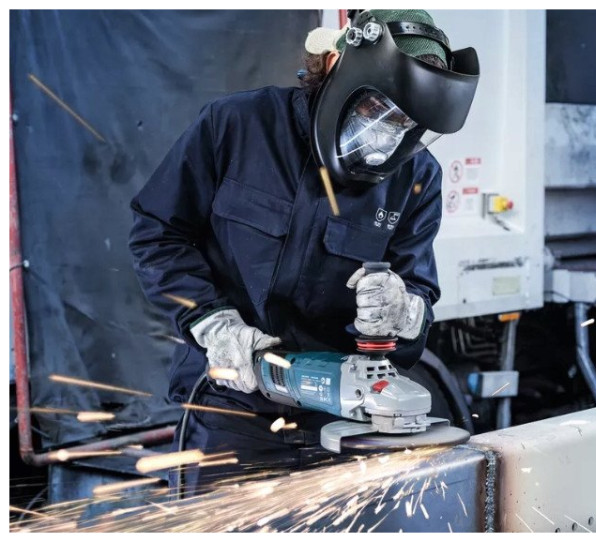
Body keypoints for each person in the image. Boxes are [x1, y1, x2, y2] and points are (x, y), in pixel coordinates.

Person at [128, 9, 479, 495]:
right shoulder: (236, 126)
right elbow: (157, 233)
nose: (387, 133)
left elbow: (417, 293)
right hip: (231, 406)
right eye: (379, 110)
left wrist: (405, 311)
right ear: (337, 65)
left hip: (343, 415)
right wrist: (212, 323)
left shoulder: (416, 178)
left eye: (407, 123)